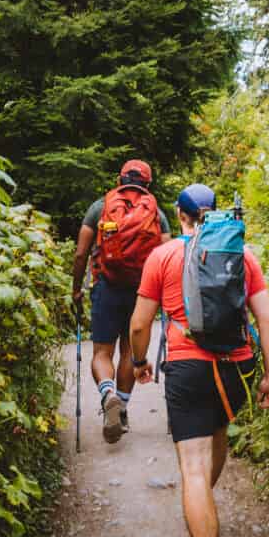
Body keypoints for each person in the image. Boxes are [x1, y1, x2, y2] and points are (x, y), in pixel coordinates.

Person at [128, 183, 269, 537]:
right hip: (236, 367)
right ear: (214, 214)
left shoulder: (162, 256)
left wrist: (139, 361)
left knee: (192, 470)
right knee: (219, 434)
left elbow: (140, 324)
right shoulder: (243, 254)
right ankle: (203, 511)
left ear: (180, 216)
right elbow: (267, 322)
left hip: (188, 366)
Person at [71, 159, 171, 442]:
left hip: (106, 286)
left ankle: (108, 394)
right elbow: (166, 257)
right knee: (130, 353)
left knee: (102, 353)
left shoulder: (100, 207)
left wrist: (76, 290)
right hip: (142, 292)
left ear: (120, 179)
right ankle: (122, 409)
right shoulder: (156, 214)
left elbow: (81, 253)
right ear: (148, 184)